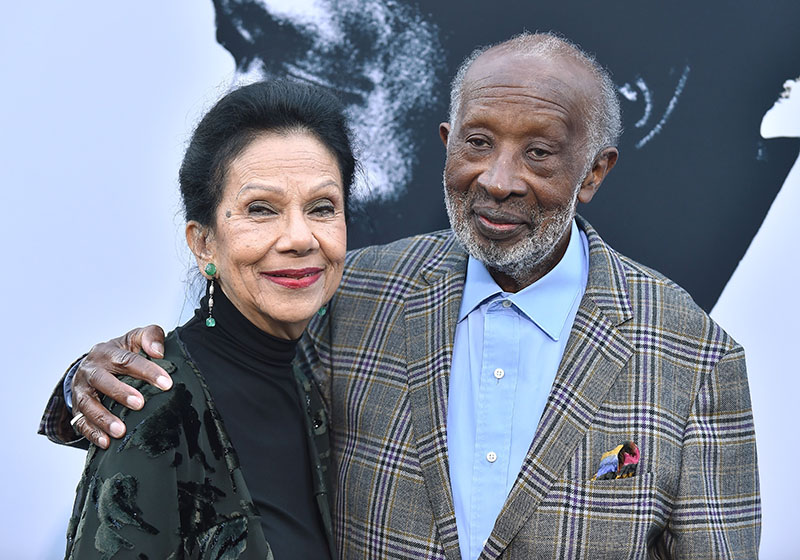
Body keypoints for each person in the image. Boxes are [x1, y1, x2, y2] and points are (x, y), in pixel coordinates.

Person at [41, 33, 760, 559]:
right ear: (447, 141)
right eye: (477, 142)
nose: (498, 180)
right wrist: (90, 383)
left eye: (539, 152)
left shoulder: (694, 360)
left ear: (594, 171)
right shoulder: (358, 293)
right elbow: (221, 382)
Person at [53, 79, 357, 559]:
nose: (300, 237)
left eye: (322, 208)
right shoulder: (156, 404)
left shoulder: (323, 368)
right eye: (261, 210)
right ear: (203, 244)